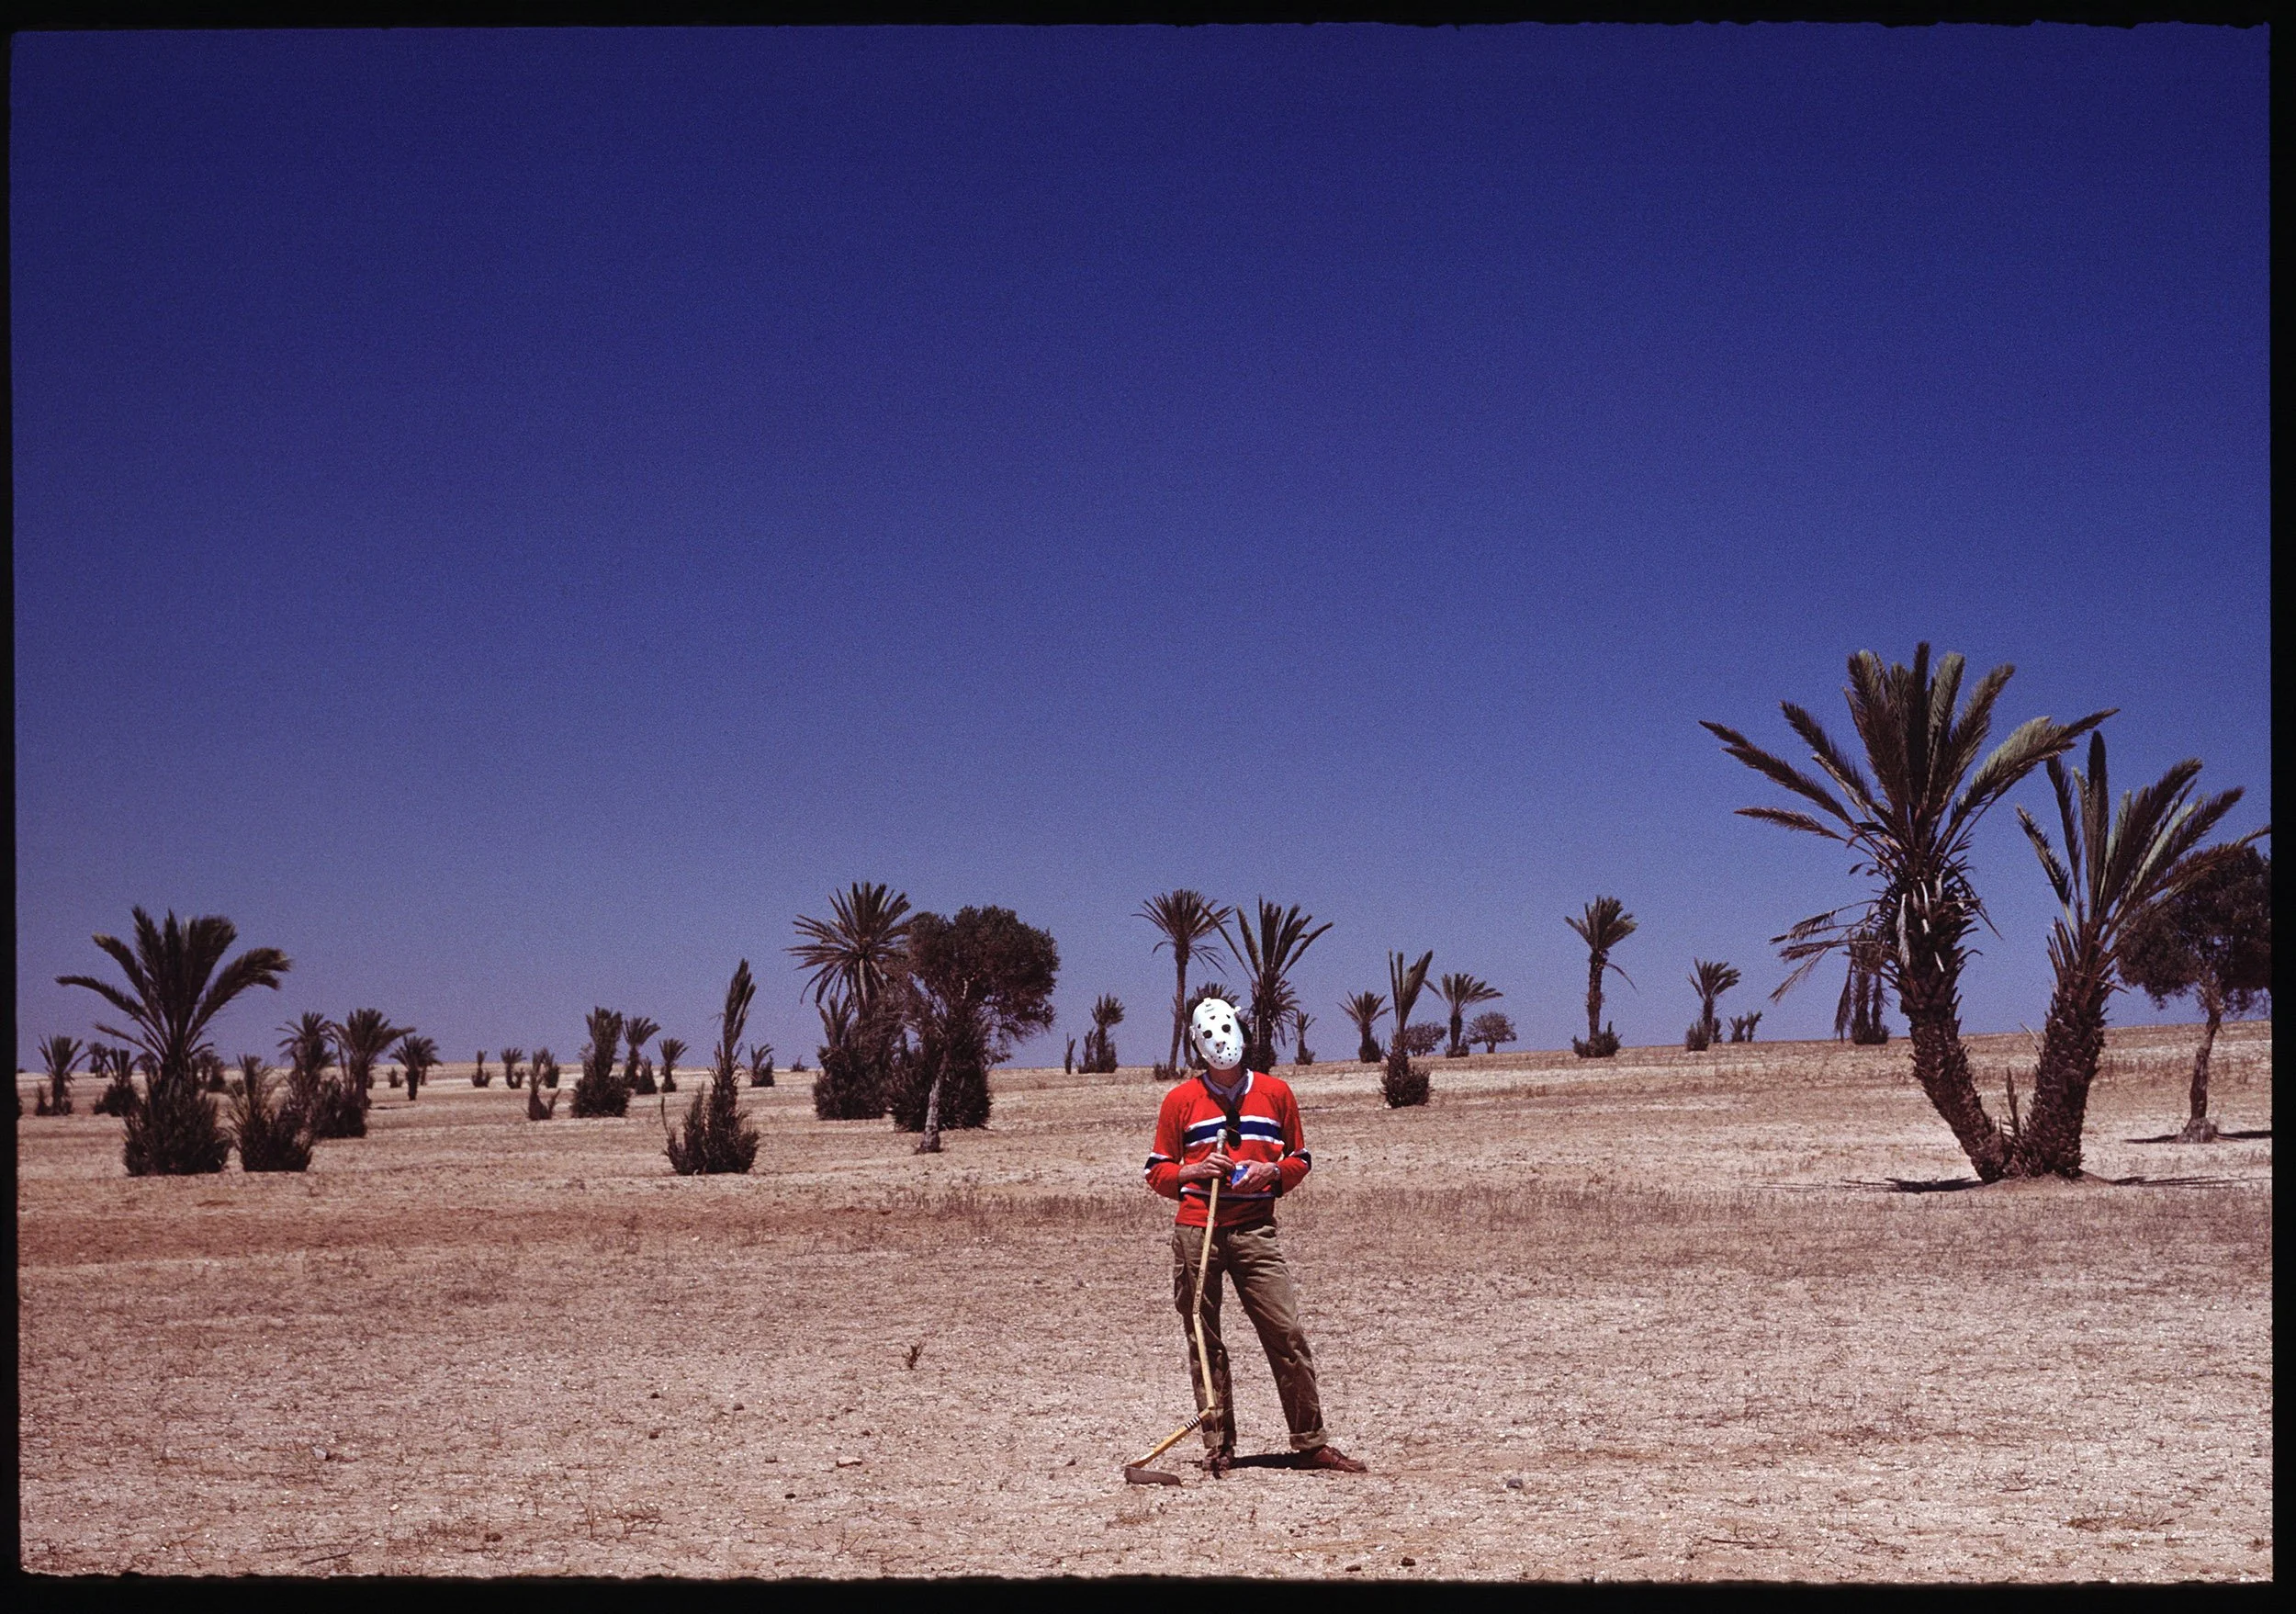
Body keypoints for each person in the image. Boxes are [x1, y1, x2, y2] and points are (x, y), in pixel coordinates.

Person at [1142, 996, 1367, 1476]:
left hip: (1255, 1232)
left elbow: (1300, 1159)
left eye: (1228, 1031)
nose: (1223, 1043)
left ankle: (1310, 1442)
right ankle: (1218, 1443)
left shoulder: (1275, 1093)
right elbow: (1157, 1172)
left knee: (1285, 1332)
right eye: (1211, 1035)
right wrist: (1196, 1170)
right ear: (1198, 1046)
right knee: (1204, 1338)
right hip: (1198, 1230)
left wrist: (1271, 1172)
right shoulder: (1179, 1101)